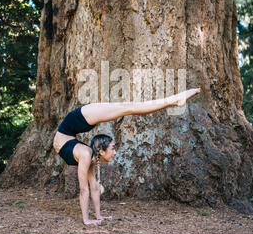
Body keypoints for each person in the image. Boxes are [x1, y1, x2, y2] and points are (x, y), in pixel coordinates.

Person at [53, 88, 201, 225]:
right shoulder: (86, 155)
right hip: (76, 122)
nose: (115, 152)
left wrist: (98, 217)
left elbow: (94, 188)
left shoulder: (88, 155)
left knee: (128, 107)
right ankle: (174, 100)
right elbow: (85, 190)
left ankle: (174, 100)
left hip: (74, 125)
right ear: (101, 151)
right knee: (127, 107)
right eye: (112, 149)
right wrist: (86, 220)